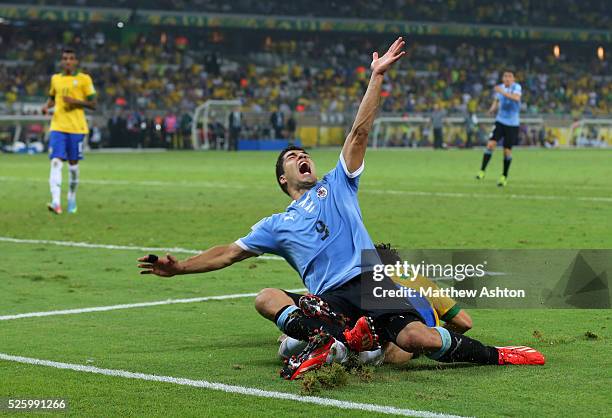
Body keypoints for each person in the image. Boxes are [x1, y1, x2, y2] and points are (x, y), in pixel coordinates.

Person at [138, 38, 544, 381]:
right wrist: (180, 268)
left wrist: (377, 76)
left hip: (371, 282)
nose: (303, 157)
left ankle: (498, 354)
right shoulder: (275, 225)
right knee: (265, 297)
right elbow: (227, 253)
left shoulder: (338, 184)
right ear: (284, 179)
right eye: (293, 157)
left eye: (305, 154)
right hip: (330, 299)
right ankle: (326, 340)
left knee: (416, 340)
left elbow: (359, 131)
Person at [42, 47, 97, 214]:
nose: (67, 61)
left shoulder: (84, 79)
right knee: (56, 162)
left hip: (76, 128)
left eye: (71, 58)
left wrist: (75, 101)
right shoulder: (55, 79)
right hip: (58, 127)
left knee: (73, 166)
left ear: (76, 61)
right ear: (61, 61)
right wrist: (46, 107)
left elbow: (93, 104)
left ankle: (71, 196)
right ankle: (56, 202)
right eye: (65, 58)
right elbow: (53, 99)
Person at [476, 69, 522, 186]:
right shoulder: (500, 88)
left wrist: (502, 92)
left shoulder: (517, 87)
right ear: (502, 78)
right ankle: (482, 171)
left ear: (513, 79)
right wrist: (492, 109)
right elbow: (496, 100)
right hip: (500, 121)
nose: (507, 78)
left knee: (507, 151)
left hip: (512, 124)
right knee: (490, 145)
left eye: (509, 76)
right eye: (505, 76)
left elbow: (516, 98)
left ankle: (504, 176)